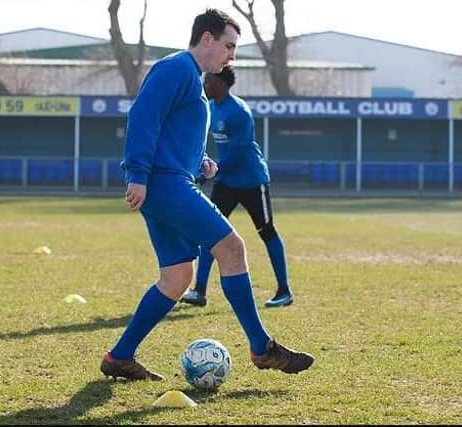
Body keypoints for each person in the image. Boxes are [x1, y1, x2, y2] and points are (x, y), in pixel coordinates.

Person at [100, 8, 314, 381]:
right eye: (229, 45)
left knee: (177, 277)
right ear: (208, 38)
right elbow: (142, 116)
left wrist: (199, 159)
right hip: (165, 183)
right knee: (232, 248)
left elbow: (171, 127)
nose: (232, 55)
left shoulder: (191, 77)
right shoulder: (176, 68)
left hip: (171, 178)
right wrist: (136, 173)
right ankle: (262, 347)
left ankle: (119, 357)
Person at [181, 66, 293, 309]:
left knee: (267, 231)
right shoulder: (211, 107)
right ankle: (199, 291)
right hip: (226, 182)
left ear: (221, 83)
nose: (205, 85)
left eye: (208, 80)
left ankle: (284, 291)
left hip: (252, 180)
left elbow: (238, 152)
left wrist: (209, 173)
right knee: (209, 231)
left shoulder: (239, 112)